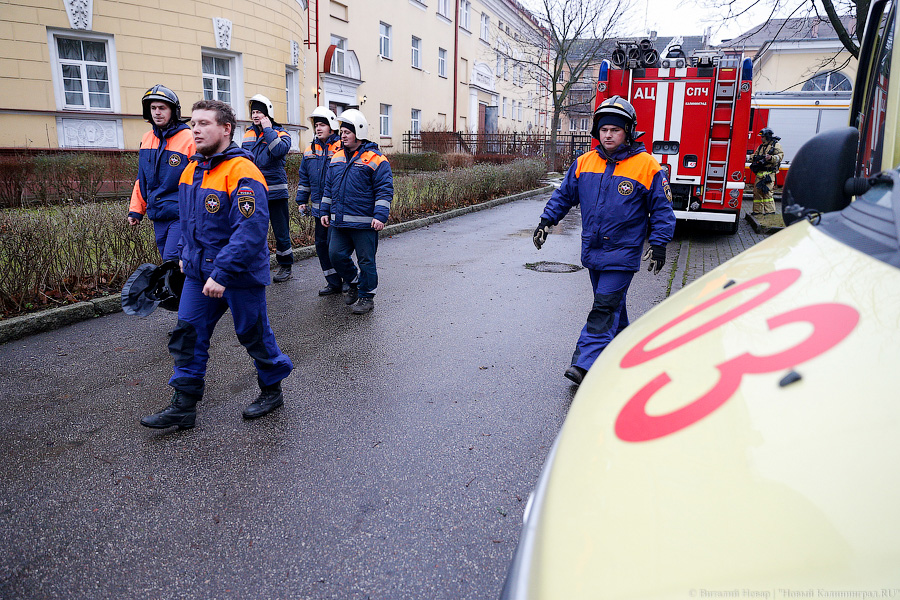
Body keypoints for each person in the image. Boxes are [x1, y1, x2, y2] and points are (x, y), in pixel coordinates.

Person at [141, 99, 294, 430]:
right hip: (198, 274)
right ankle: (183, 405)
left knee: (253, 334)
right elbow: (187, 221)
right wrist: (183, 255)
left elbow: (250, 230)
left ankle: (272, 389)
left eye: (204, 123)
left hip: (238, 275)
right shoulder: (191, 170)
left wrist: (222, 273)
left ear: (226, 129)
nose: (195, 129)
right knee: (188, 335)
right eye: (193, 123)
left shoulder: (243, 171)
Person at [533, 95, 676, 386]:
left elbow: (662, 209)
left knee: (603, 306)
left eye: (615, 129)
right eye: (604, 129)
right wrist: (547, 221)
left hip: (623, 253)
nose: (608, 134)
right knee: (612, 305)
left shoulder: (647, 166)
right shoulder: (584, 162)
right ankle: (627, 351)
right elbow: (564, 195)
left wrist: (659, 243)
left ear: (628, 132)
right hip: (593, 250)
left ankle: (584, 363)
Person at [320, 109, 394, 315]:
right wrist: (325, 211)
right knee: (335, 254)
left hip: (365, 223)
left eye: (347, 132)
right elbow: (329, 188)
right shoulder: (336, 157)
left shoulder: (377, 159)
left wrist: (380, 216)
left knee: (366, 260)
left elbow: (384, 190)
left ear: (359, 132)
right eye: (341, 132)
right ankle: (353, 281)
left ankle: (366, 297)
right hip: (339, 221)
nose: (342, 135)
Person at [128, 84, 195, 261]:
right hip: (158, 213)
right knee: (168, 259)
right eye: (153, 108)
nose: (157, 112)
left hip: (181, 213)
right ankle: (184, 289)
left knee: (172, 258)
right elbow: (142, 178)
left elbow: (199, 177)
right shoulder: (146, 139)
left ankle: (187, 289)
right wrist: (136, 210)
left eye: (162, 108)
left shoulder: (189, 138)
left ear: (173, 111)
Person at [242, 94, 294, 282]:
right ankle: (257, 265)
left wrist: (268, 129)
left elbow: (279, 151)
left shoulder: (281, 133)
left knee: (281, 232)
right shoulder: (248, 134)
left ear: (268, 114)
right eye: (254, 112)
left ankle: (285, 265)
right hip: (255, 190)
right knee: (254, 230)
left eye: (260, 112)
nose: (256, 116)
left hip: (276, 191)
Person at [296, 106, 343, 296]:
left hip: (336, 209)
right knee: (321, 246)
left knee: (336, 248)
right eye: (316, 125)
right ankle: (333, 282)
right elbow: (304, 178)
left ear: (332, 126)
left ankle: (348, 279)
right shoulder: (309, 151)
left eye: (322, 124)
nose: (318, 128)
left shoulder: (341, 148)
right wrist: (301, 200)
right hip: (318, 211)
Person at [749, 128, 784, 215]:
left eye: (763, 137)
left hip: (769, 174)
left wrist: (771, 158)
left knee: (767, 193)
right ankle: (757, 211)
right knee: (757, 192)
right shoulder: (761, 146)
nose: (761, 138)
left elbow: (780, 156)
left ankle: (770, 212)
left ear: (767, 137)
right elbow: (755, 155)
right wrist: (753, 158)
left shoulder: (776, 145)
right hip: (760, 173)